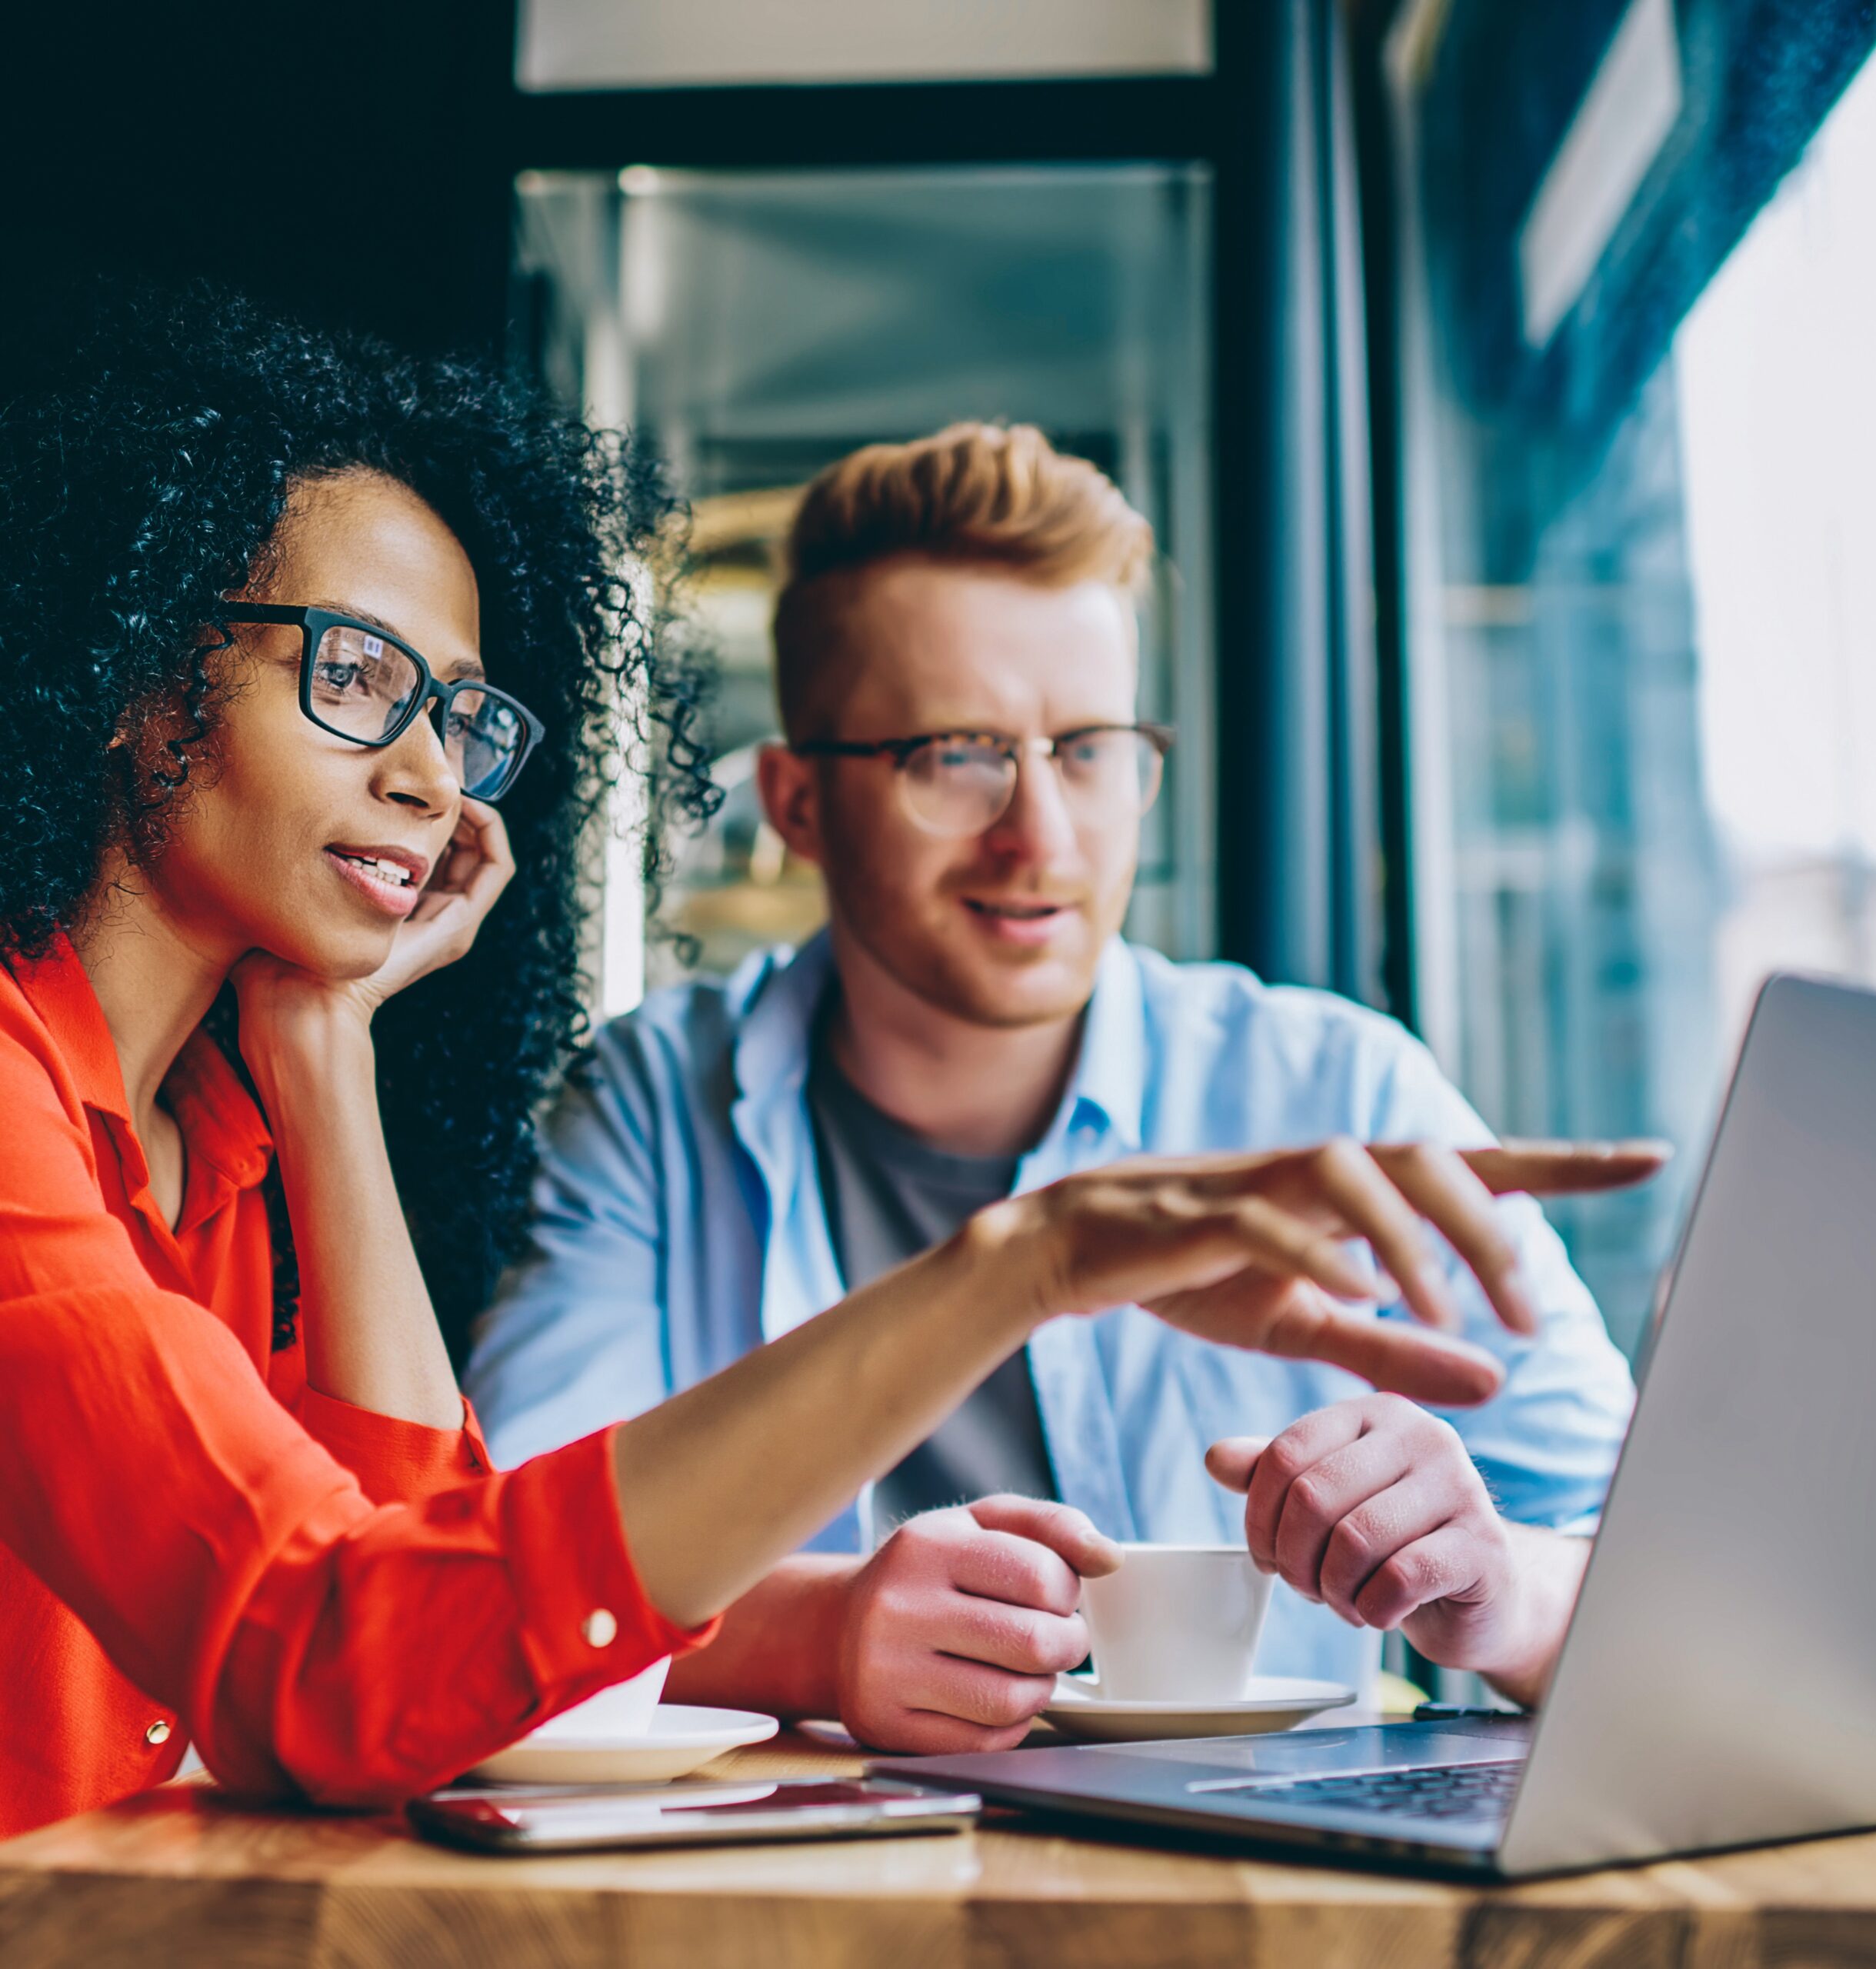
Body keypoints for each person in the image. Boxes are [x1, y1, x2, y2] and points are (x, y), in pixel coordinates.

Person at [0, 294, 1636, 1841]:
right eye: (357, 677)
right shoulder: (635, 1100)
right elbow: (399, 1635)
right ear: (134, 670)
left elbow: (426, 1594)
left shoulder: (221, 1141)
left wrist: (324, 1040)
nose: (433, 771)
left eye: (1090, 752)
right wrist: (1023, 1269)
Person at [468, 422, 1661, 1755]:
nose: (1042, 835)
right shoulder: (651, 1102)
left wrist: (1496, 1592)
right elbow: (499, 1575)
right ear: (798, 805)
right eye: (956, 756)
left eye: (1089, 749)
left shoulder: (1336, 1088)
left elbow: (1666, 1580)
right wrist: (822, 1632)